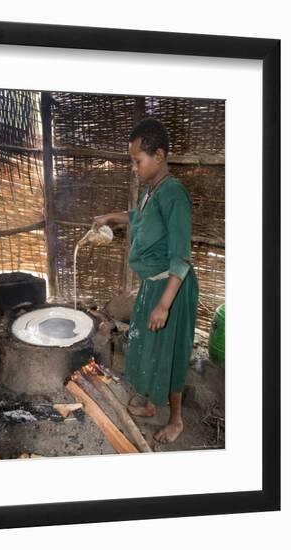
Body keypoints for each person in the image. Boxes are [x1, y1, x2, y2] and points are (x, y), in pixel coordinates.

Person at [91, 117, 199, 443]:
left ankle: (177, 420)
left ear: (160, 156)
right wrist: (111, 216)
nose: (134, 167)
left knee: (172, 350)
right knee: (149, 345)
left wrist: (164, 305)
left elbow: (181, 257)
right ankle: (152, 404)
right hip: (153, 285)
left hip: (172, 289)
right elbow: (139, 218)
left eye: (137, 161)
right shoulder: (151, 191)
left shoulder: (174, 195)